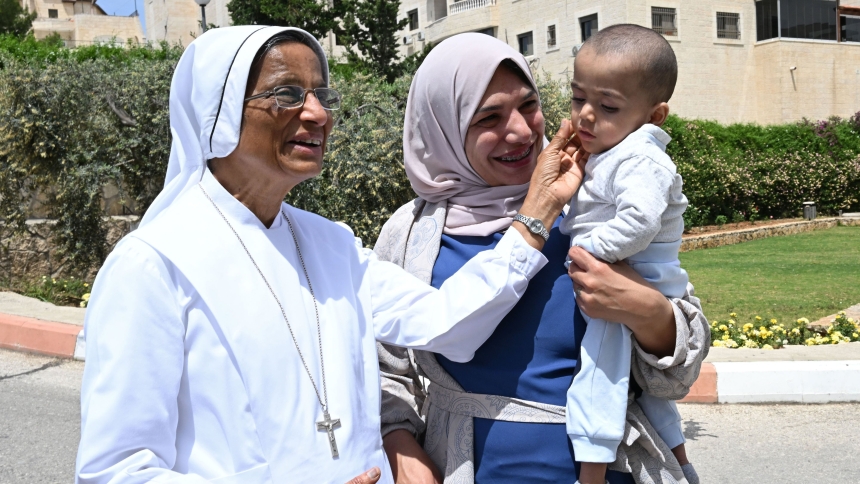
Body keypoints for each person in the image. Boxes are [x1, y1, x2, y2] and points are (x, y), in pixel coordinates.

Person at [74, 26, 584, 484]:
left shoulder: (330, 244)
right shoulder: (153, 264)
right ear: (219, 112)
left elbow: (450, 326)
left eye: (320, 93)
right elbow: (115, 470)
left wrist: (532, 219)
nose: (317, 114)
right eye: (287, 94)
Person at [375, 33, 711, 484]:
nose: (520, 130)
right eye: (488, 116)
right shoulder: (412, 232)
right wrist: (402, 449)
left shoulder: (594, 202)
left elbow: (679, 372)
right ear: (444, 126)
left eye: (528, 105)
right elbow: (381, 370)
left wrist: (650, 314)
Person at [560, 25, 698, 484]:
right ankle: (680, 461)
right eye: (578, 97)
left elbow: (639, 222)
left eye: (608, 106)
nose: (586, 116)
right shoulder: (611, 149)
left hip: (636, 278)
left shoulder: (641, 157)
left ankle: (592, 473)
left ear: (655, 115)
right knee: (649, 392)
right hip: (634, 274)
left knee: (600, 377)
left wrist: (585, 251)